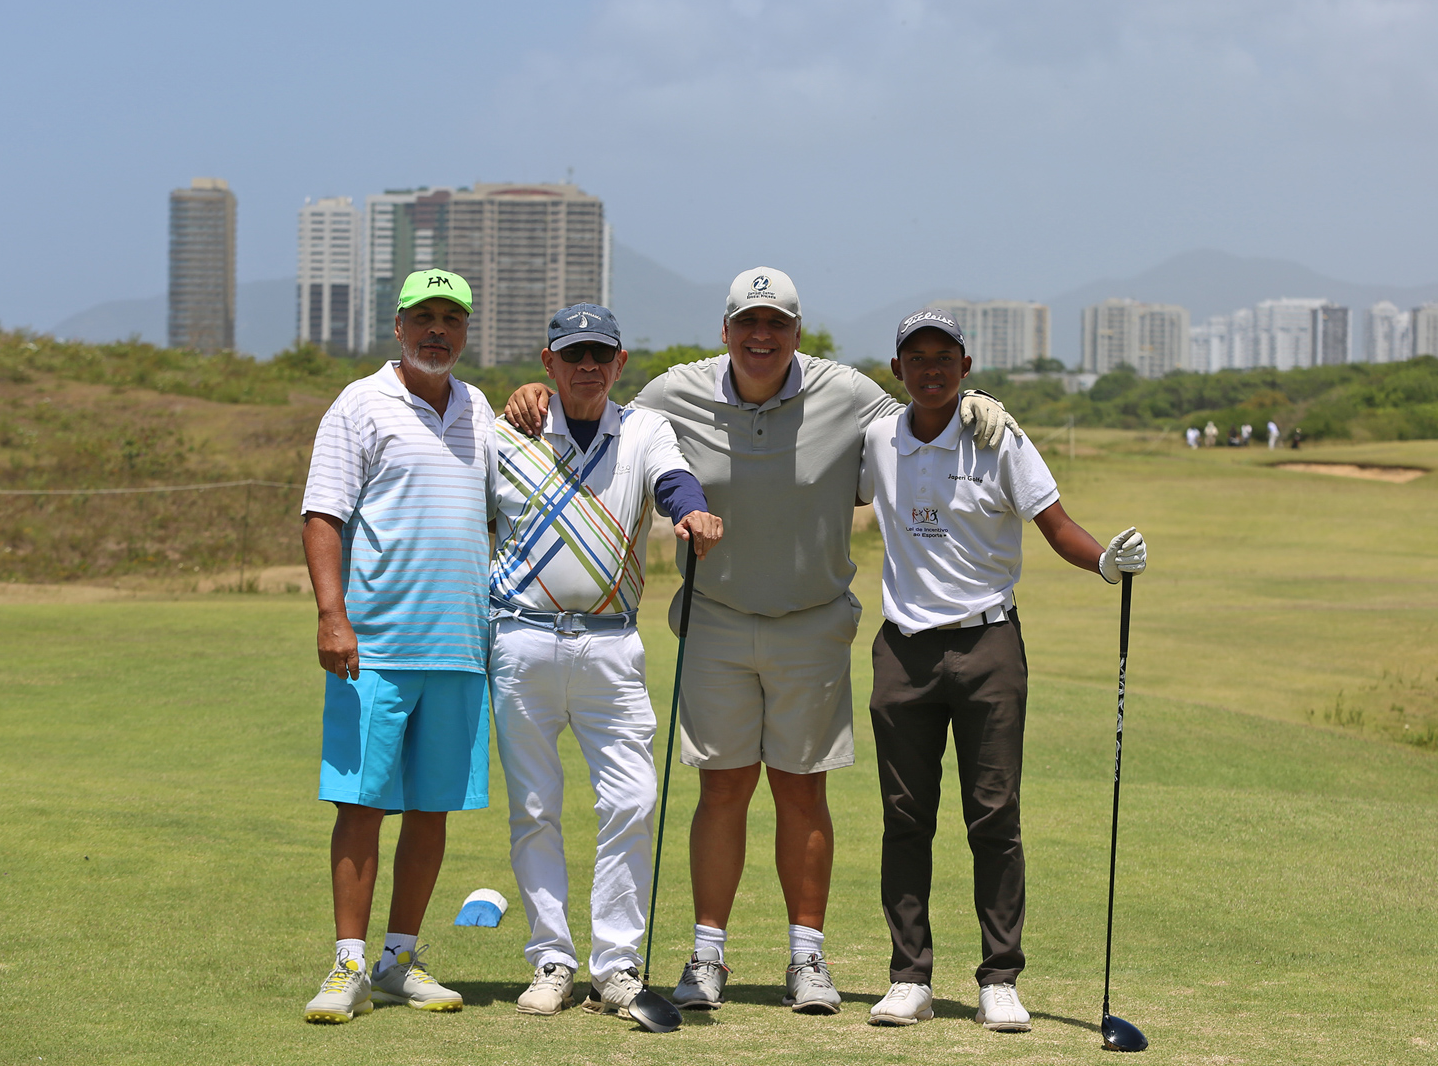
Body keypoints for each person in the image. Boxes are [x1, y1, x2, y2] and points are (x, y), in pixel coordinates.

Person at [503, 269, 1014, 1015]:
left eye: (776, 323)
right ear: (726, 330)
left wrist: (974, 400)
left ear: (797, 332)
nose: (761, 336)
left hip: (811, 621)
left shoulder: (847, 392)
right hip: (715, 621)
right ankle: (707, 956)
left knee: (803, 790)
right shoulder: (676, 391)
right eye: (748, 322)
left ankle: (807, 958)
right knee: (722, 789)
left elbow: (921, 415)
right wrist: (538, 395)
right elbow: (602, 410)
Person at [857, 309, 1148, 1031]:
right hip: (903, 649)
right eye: (916, 358)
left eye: (944, 358)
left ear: (966, 366)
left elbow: (1056, 525)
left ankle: (1000, 978)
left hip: (988, 646)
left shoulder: (999, 437)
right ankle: (909, 977)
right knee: (905, 819)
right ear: (897, 369)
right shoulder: (876, 440)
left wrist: (1106, 563)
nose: (930, 370)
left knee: (993, 817)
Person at [489, 304, 724, 1019]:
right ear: (548, 362)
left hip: (612, 644)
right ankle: (551, 959)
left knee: (632, 800)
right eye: (573, 355)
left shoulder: (645, 427)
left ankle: (616, 965)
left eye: (601, 354)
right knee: (535, 807)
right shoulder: (506, 431)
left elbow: (673, 480)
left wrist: (690, 512)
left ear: (620, 363)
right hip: (521, 639)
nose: (587, 366)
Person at [300, 269, 496, 1023]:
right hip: (375, 647)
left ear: (466, 329)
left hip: (460, 647)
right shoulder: (359, 404)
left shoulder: (479, 408)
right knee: (361, 805)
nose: (437, 330)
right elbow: (324, 515)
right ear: (399, 326)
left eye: (452, 318)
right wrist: (332, 615)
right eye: (424, 317)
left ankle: (398, 961)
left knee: (432, 810)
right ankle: (349, 964)